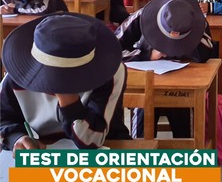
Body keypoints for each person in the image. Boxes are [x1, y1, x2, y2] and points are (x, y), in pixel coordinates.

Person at [1, 13, 131, 151]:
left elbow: (92, 141)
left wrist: (67, 98)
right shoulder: (20, 72)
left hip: (109, 148)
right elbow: (4, 119)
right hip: (44, 151)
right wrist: (17, 138)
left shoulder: (110, 72)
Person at [116, 0, 213, 138]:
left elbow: (207, 54)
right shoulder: (141, 17)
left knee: (183, 113)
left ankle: (184, 152)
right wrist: (147, 55)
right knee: (143, 111)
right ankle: (143, 153)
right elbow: (111, 50)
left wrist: (190, 43)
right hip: (146, 81)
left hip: (180, 83)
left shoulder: (196, 22)